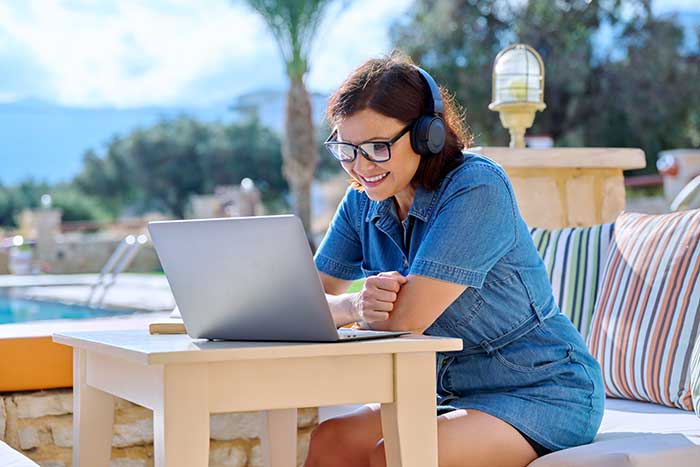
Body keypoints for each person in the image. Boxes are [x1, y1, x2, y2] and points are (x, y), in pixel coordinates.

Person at [306, 52, 605, 467]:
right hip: (447, 394)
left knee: (395, 456)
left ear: (426, 135)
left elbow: (406, 319)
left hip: (542, 390)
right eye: (347, 149)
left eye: (377, 147)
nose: (361, 166)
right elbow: (305, 300)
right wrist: (352, 305)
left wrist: (349, 311)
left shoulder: (477, 188)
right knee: (330, 442)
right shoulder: (364, 198)